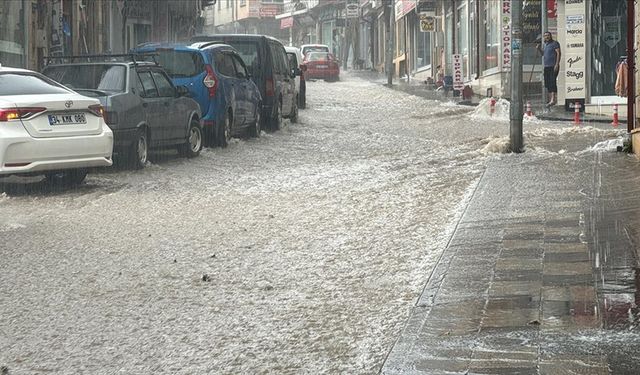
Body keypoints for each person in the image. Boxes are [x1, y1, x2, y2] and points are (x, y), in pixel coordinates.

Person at [536, 31, 561, 107]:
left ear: (550, 36)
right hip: (546, 66)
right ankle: (551, 100)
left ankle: (553, 99)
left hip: (553, 66)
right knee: (547, 83)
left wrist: (557, 64)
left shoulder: (555, 43)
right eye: (545, 36)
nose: (546, 37)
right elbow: (543, 54)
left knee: (552, 81)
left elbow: (559, 53)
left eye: (548, 35)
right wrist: (539, 49)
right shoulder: (545, 45)